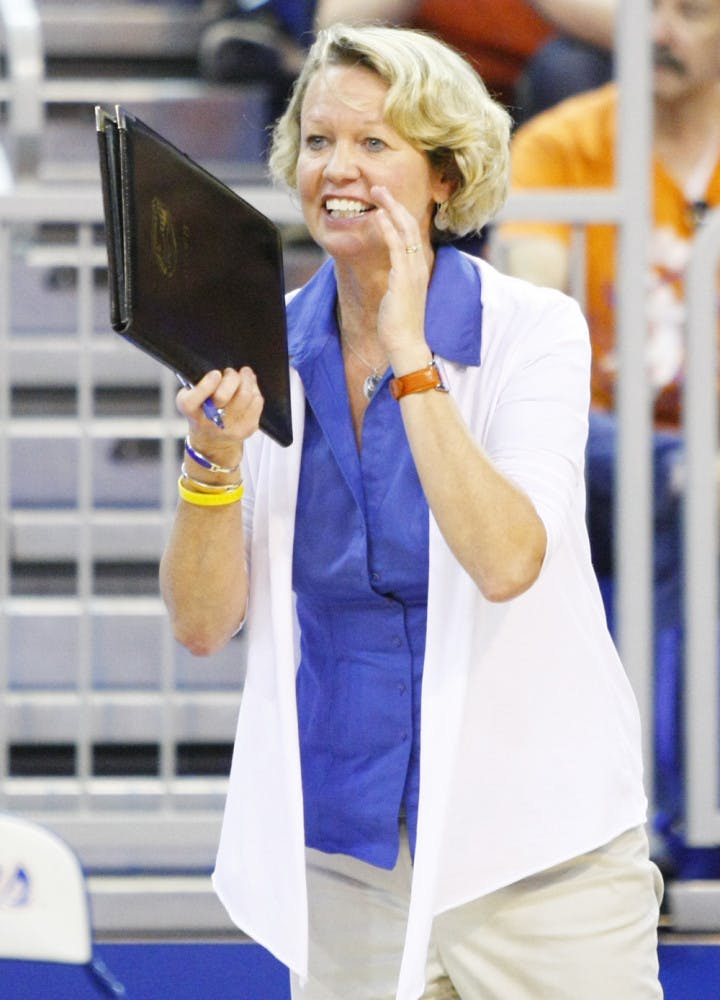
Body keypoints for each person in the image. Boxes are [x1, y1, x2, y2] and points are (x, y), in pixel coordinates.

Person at [160, 23, 662, 1000]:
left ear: (444, 175)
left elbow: (508, 560)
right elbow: (203, 624)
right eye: (317, 141)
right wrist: (213, 463)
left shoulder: (533, 331)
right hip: (351, 851)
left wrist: (409, 354)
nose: (337, 168)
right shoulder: (257, 347)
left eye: (373, 142)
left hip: (539, 854)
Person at [495, 0, 720, 871]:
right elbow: (535, 306)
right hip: (591, 439)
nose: (661, 32)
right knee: (672, 484)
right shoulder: (563, 142)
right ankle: (661, 813)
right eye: (647, 7)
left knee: (691, 487)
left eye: (691, 12)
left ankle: (645, 811)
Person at [314, 0, 616, 122]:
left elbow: (632, 32)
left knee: (569, 69)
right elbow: (335, 29)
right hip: (435, 97)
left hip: (543, 95)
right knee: (357, 68)